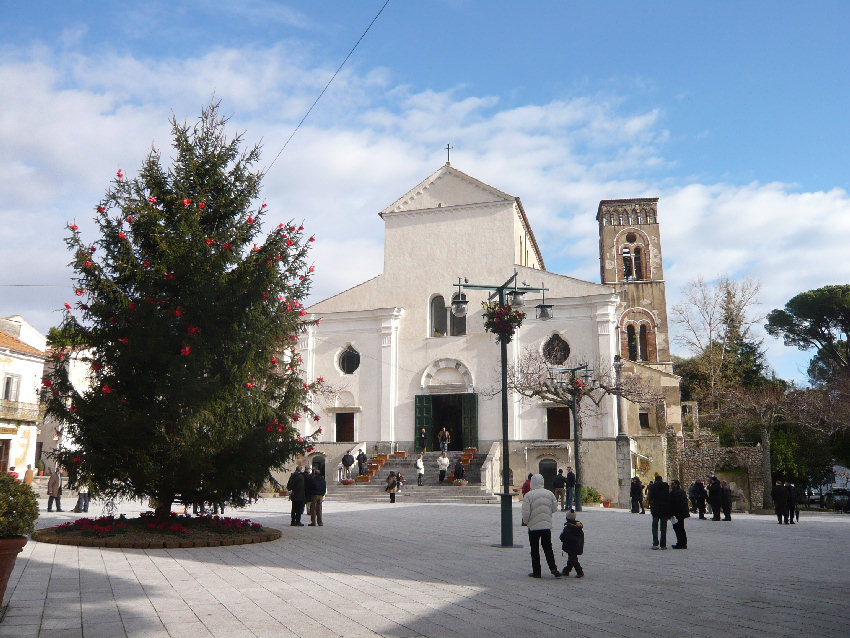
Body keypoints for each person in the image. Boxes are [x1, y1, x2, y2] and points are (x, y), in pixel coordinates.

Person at [521, 474, 561, 578]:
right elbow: (554, 508)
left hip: (533, 527)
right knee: (548, 547)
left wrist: (526, 522)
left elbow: (526, 513)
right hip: (546, 525)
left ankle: (537, 572)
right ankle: (553, 568)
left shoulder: (528, 495)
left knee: (534, 549)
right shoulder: (549, 494)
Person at [559, 510, 585, 578]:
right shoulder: (579, 527)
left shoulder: (568, 528)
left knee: (573, 559)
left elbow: (563, 537)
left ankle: (579, 571)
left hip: (571, 546)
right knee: (571, 558)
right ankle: (567, 570)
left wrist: (562, 538)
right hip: (577, 546)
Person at [648, 475, 671, 549]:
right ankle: (663, 545)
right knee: (663, 528)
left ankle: (655, 543)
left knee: (655, 527)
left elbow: (650, 497)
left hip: (656, 509)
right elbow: (668, 497)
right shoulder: (666, 486)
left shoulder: (653, 487)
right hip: (664, 509)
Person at [670, 479, 690, 549]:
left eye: (672, 484)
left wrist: (672, 513)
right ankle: (683, 543)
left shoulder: (675, 492)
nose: (671, 485)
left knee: (678, 528)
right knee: (681, 528)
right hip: (682, 512)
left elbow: (674, 503)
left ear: (676, 484)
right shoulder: (681, 491)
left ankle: (680, 543)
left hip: (678, 513)